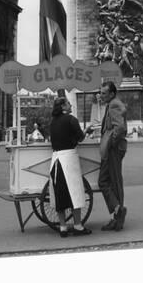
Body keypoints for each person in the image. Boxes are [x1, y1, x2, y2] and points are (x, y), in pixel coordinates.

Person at [49, 96, 94, 237]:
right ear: (63, 106)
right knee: (76, 192)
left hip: (56, 159)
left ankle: (63, 226)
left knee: (59, 194)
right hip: (69, 159)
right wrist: (87, 131)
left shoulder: (52, 122)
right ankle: (78, 225)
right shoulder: (71, 120)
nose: (71, 105)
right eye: (68, 103)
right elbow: (80, 138)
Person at [96, 80, 128, 231]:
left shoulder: (114, 104)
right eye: (101, 92)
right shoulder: (111, 104)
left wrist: (111, 143)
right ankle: (117, 213)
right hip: (112, 149)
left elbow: (120, 128)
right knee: (108, 181)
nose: (101, 95)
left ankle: (118, 213)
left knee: (110, 182)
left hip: (113, 149)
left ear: (112, 94)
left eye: (104, 93)